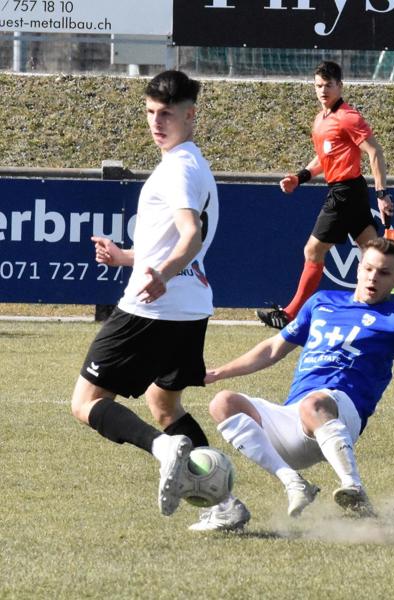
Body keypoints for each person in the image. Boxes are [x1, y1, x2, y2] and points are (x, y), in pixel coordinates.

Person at [192, 238, 394, 531]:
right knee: (223, 402)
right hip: (296, 419)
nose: (373, 278)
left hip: (339, 415)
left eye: (383, 273)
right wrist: (220, 372)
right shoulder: (321, 302)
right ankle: (293, 482)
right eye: (368, 269)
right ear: (358, 269)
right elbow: (272, 349)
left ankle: (353, 487)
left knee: (315, 402)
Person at [71, 70, 220, 517]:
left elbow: (190, 235)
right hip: (191, 308)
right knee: (163, 401)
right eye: (151, 113)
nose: (157, 123)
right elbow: (176, 243)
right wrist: (127, 258)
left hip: (152, 308)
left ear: (190, 116)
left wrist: (162, 274)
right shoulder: (192, 164)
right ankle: (222, 503)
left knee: (86, 403)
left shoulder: (178, 168)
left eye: (167, 114)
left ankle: (162, 450)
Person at [256, 60, 394, 330]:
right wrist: (300, 177)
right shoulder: (321, 120)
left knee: (313, 250)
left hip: (345, 192)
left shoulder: (348, 116)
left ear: (340, 86)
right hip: (345, 190)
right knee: (376, 253)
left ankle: (290, 315)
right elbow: (325, 158)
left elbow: (374, 152)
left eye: (329, 85)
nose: (323, 91)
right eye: (319, 86)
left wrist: (382, 193)